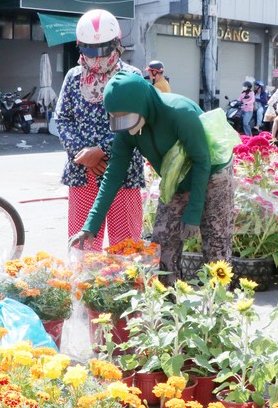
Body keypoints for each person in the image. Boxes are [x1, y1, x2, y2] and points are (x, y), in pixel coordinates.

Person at [68, 70, 234, 284]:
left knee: (216, 244)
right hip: (175, 177)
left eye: (126, 117)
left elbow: (202, 161)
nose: (122, 124)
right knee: (163, 244)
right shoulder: (128, 130)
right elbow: (113, 175)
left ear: (142, 105)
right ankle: (168, 304)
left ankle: (219, 308)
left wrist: (193, 213)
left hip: (212, 172)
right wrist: (91, 225)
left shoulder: (179, 113)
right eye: (116, 119)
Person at [55, 8, 145, 251]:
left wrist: (101, 151)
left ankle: (125, 289)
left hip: (123, 172)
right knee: (83, 249)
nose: (96, 57)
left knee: (125, 249)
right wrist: (85, 156)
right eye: (88, 50)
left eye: (103, 50)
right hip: (83, 172)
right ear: (79, 47)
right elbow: (62, 119)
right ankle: (85, 290)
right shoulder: (73, 78)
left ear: (116, 45)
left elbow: (135, 122)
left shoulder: (131, 77)